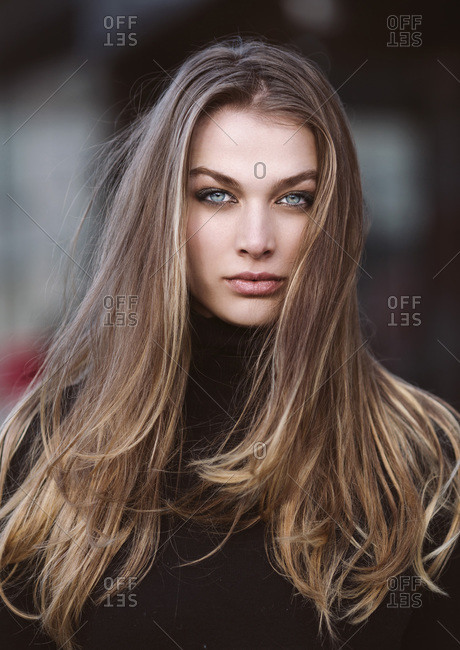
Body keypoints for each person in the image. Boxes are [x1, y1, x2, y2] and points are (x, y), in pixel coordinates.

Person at [0, 36, 459, 650]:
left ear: (335, 215)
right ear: (163, 211)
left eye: (294, 199)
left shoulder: (422, 459)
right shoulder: (44, 451)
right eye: (217, 194)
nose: (256, 238)